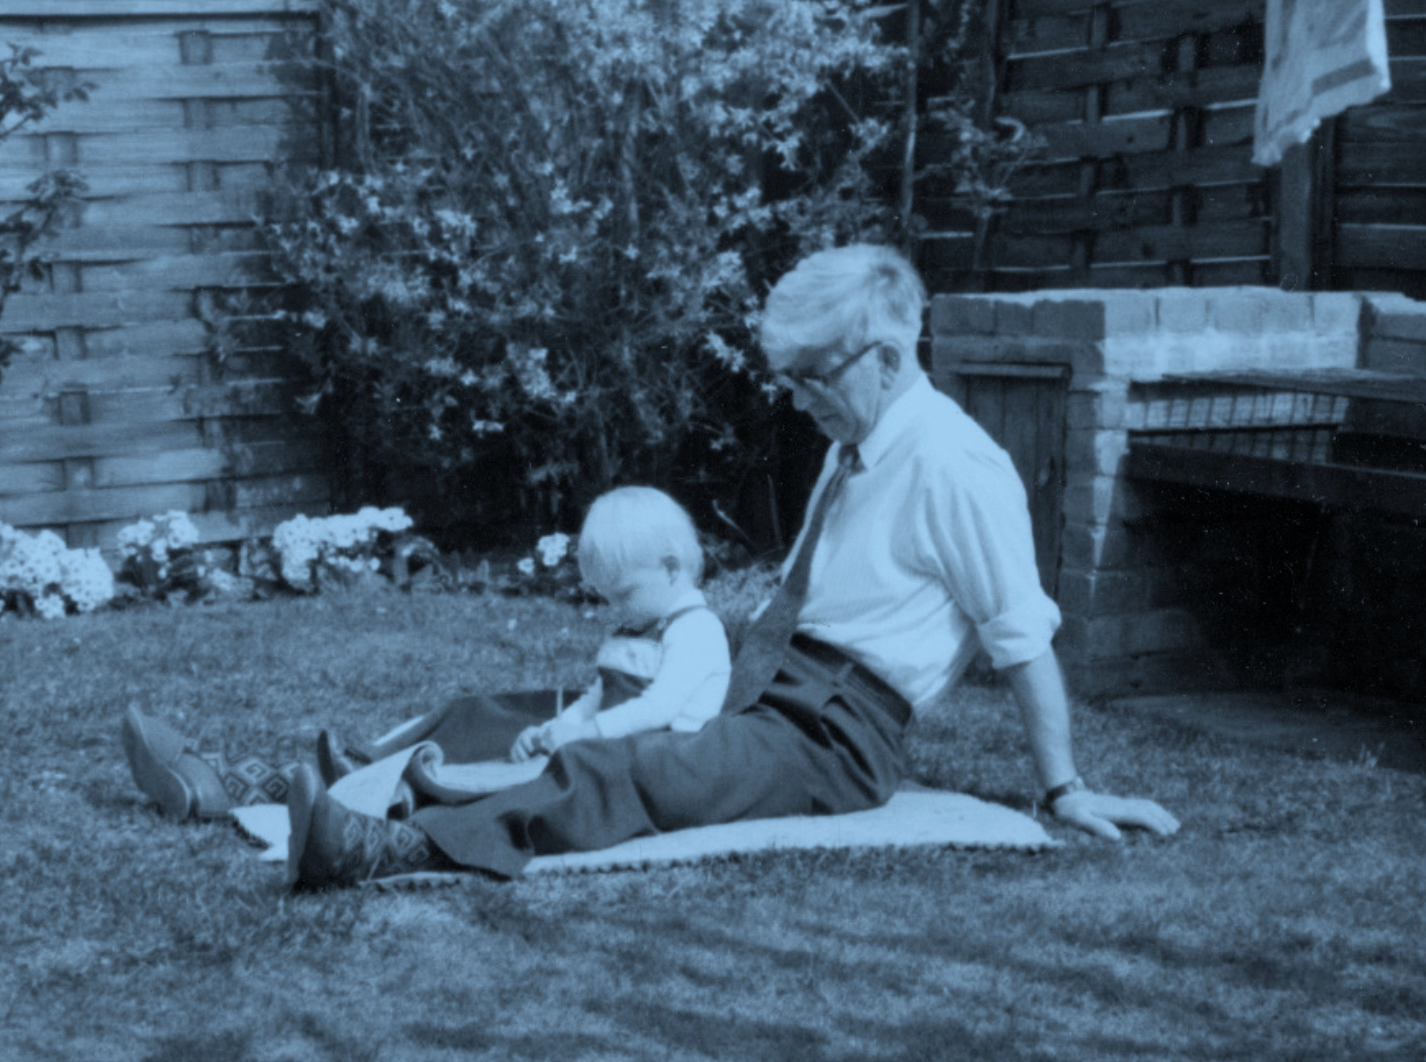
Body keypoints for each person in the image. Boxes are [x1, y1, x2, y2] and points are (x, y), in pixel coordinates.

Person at [284, 242, 1182, 888]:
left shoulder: (955, 463)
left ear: (889, 355)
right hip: (764, 671)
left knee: (631, 768)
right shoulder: (855, 434)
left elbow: (1019, 635)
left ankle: (395, 847)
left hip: (833, 731)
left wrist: (1062, 788)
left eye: (808, 377)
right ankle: (351, 776)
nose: (795, 401)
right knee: (520, 710)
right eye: (785, 379)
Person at [120, 486, 732, 820]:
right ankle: (270, 779)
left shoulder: (694, 631)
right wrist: (554, 729)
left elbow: (658, 708)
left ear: (673, 568)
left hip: (653, 762)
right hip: (607, 741)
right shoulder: (636, 628)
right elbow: (599, 696)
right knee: (481, 719)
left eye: (622, 593)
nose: (615, 611)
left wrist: (581, 736)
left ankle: (372, 803)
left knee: (530, 782)